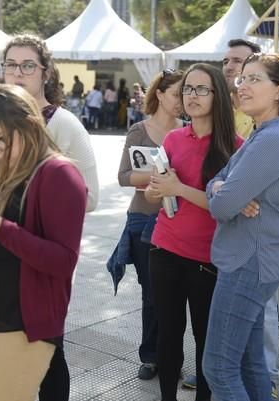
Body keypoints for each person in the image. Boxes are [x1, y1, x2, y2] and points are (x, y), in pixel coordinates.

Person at [0, 33, 99, 401]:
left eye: (28, 66)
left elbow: (90, 195)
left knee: (48, 355)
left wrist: (31, 207)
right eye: (10, 65)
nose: (18, 73)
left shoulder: (63, 125)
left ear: (45, 72)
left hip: (36, 264)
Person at [203, 52, 279, 401]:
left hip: (250, 262)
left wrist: (225, 192)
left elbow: (220, 206)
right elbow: (216, 184)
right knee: (250, 364)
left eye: (254, 79)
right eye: (241, 79)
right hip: (252, 258)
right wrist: (225, 187)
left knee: (218, 367)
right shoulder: (266, 131)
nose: (243, 86)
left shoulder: (275, 138)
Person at [145, 63, 241, 401]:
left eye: (202, 89)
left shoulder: (236, 146)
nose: (193, 96)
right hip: (164, 249)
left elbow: (228, 206)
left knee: (206, 340)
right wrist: (157, 189)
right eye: (188, 89)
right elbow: (152, 193)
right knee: (168, 336)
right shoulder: (173, 138)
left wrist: (180, 188)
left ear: (218, 95)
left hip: (207, 259)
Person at [109, 69, 185, 381]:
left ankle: (173, 358)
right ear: (159, 94)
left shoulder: (188, 133)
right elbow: (123, 176)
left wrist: (174, 184)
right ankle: (151, 356)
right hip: (143, 220)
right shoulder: (140, 130)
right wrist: (160, 178)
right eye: (177, 94)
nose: (182, 101)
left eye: (187, 94)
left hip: (179, 220)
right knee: (152, 293)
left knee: (177, 295)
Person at [222, 38, 261, 139]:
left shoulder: (264, 113)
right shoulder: (215, 106)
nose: (228, 67)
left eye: (237, 61)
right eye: (225, 62)